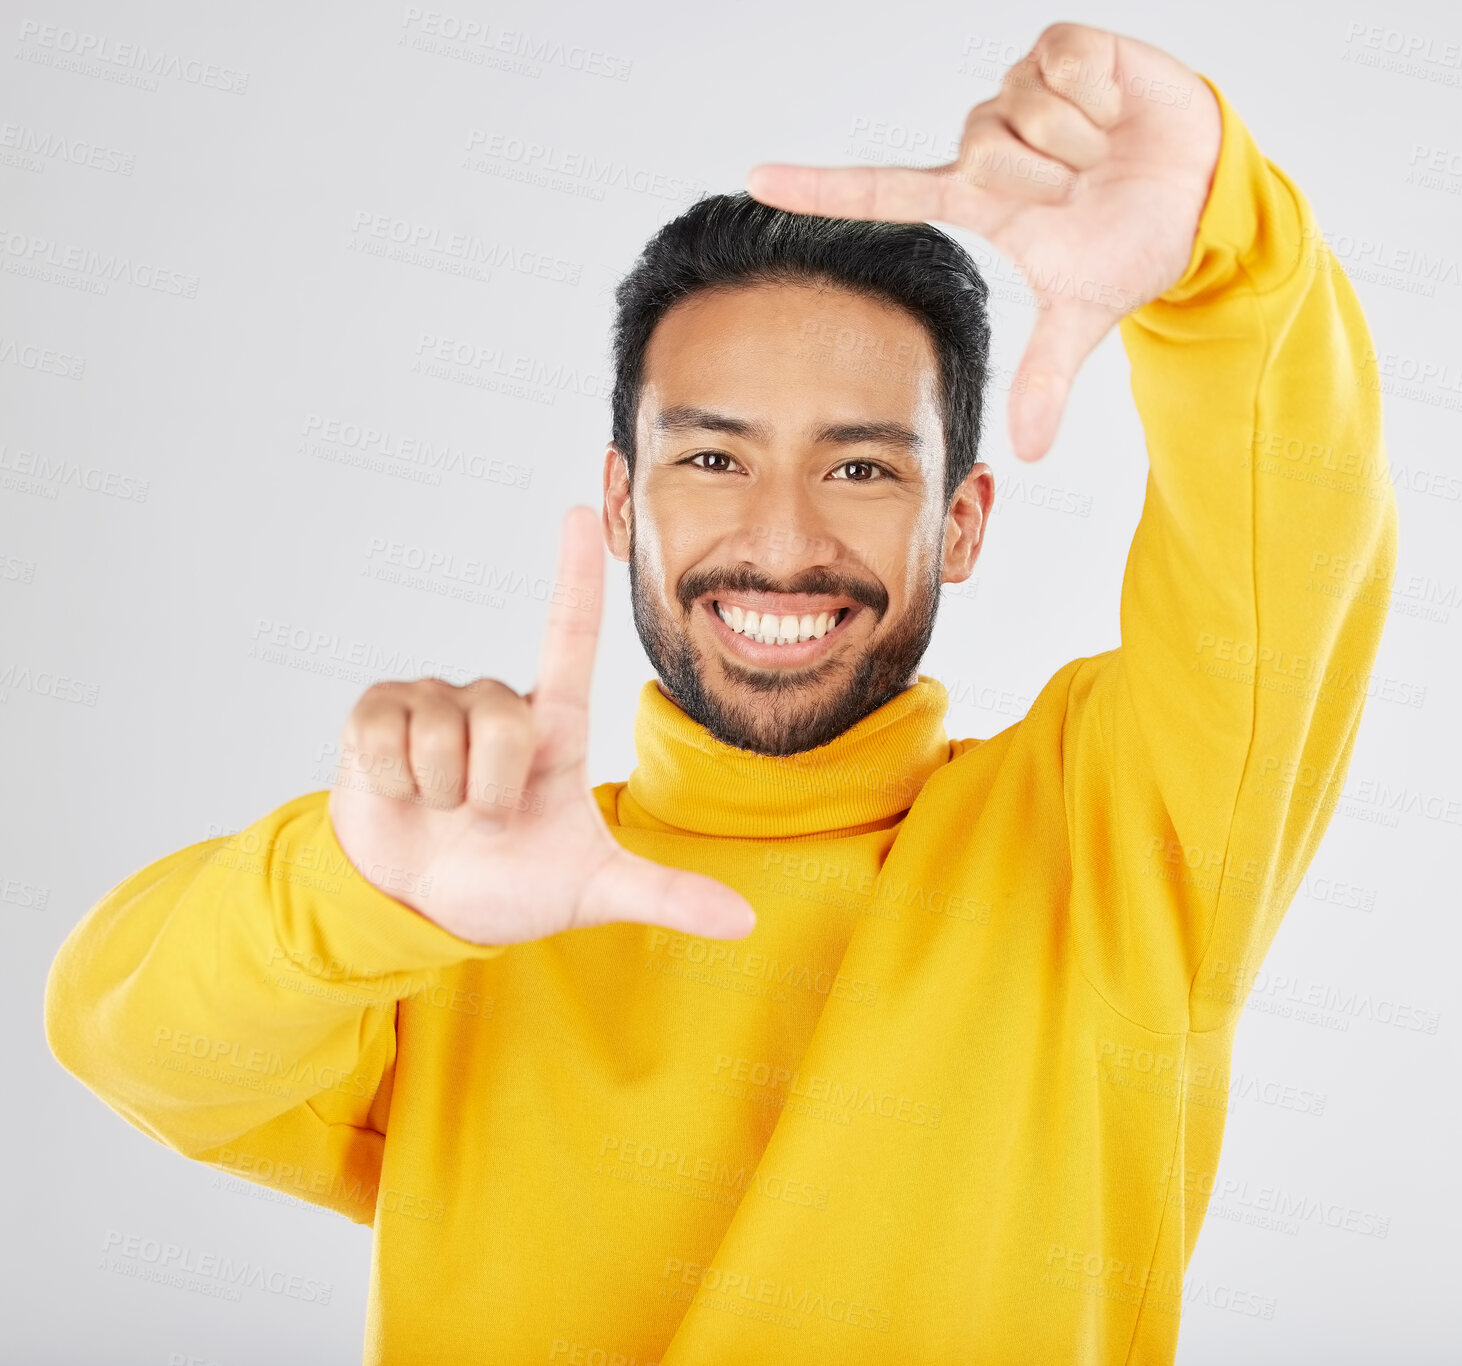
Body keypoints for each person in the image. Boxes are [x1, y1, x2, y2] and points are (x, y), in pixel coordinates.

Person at [45, 21, 1398, 1365]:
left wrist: (1223, 256)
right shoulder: (472, 891)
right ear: (622, 499)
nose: (781, 538)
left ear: (964, 520)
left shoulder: (1108, 845)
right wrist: (354, 890)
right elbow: (133, 1040)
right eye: (711, 458)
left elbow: (1290, 535)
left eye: (861, 468)